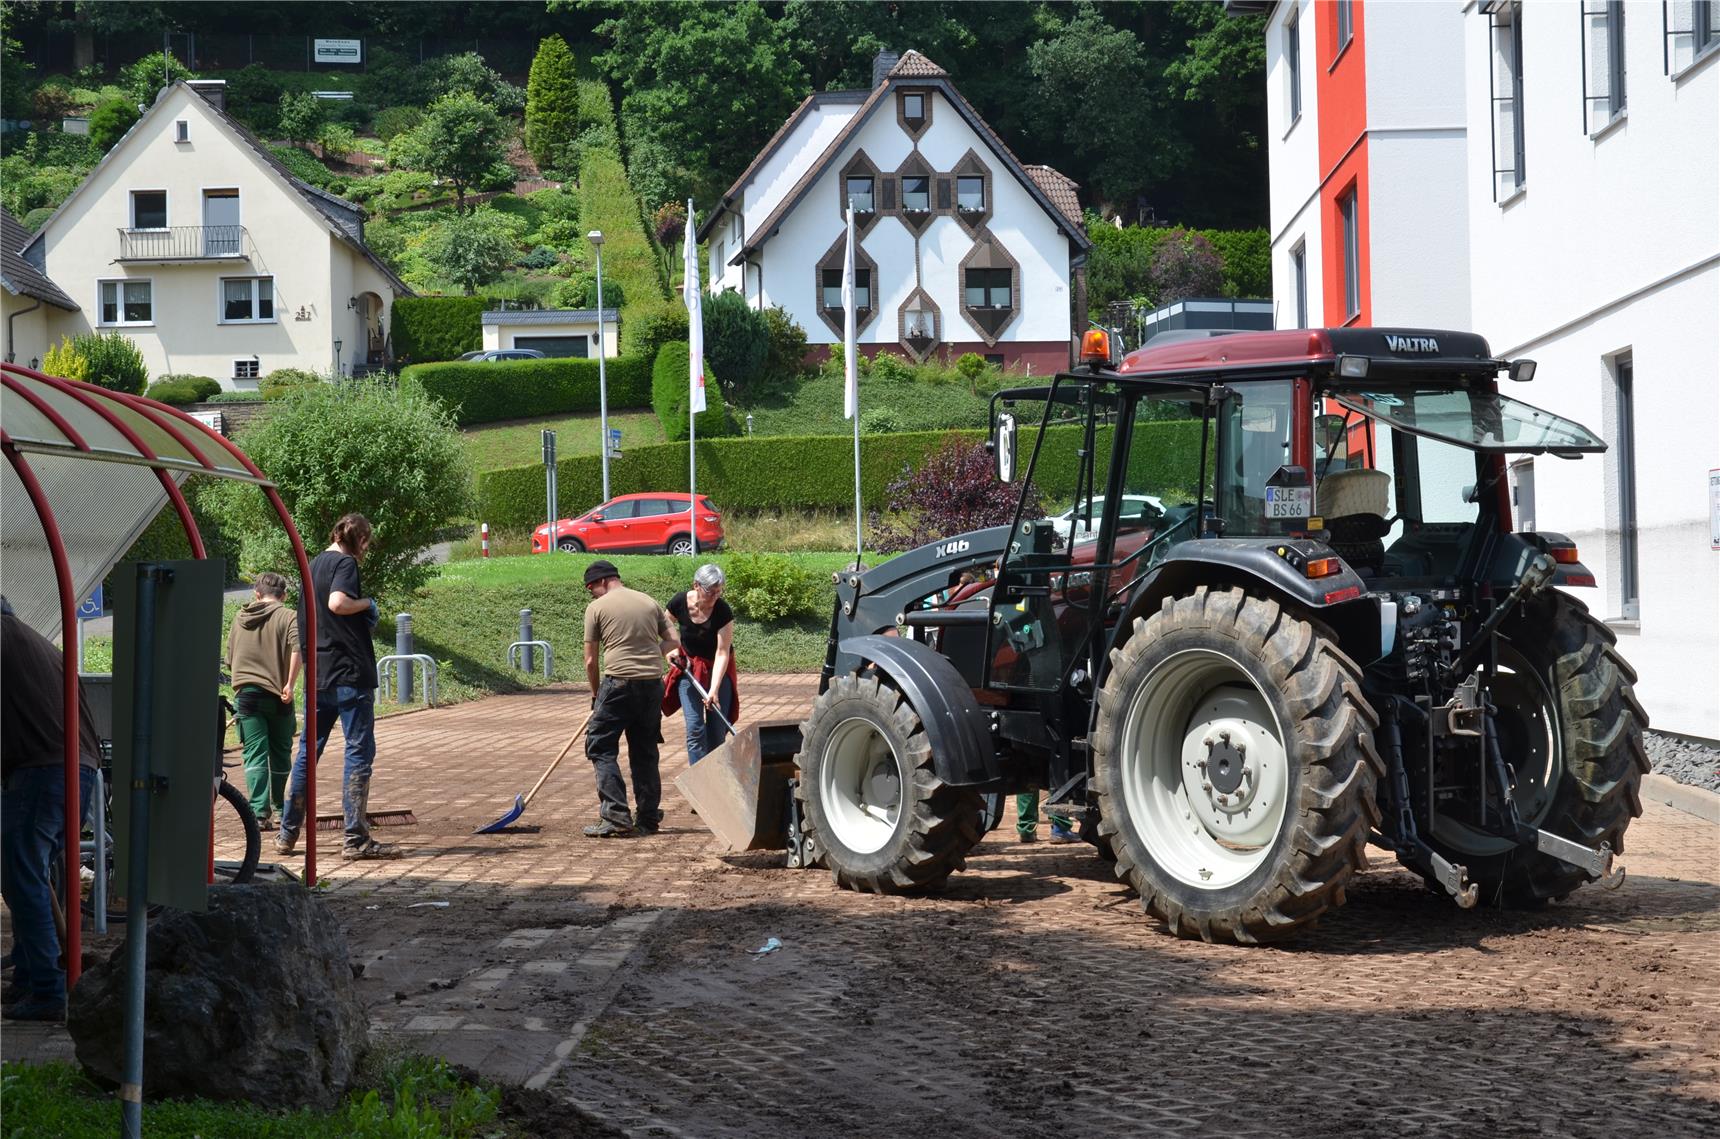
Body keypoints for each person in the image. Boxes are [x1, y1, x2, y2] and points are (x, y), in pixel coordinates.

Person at [277, 513, 398, 860]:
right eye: (366, 544)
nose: (365, 551)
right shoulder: (345, 564)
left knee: (307, 753)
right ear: (360, 540)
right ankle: (355, 840)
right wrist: (368, 604)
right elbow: (337, 603)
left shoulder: (312, 565)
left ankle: (287, 834)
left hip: (318, 674)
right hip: (349, 673)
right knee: (358, 751)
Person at [1, 598, 100, 1021]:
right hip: (74, 768)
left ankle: (47, 989)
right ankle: (29, 977)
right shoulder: (32, 640)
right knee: (27, 878)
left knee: (23, 879)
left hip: (42, 770)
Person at [582, 560, 679, 838]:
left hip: (619, 683)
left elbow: (590, 661)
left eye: (591, 588)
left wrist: (595, 694)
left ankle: (615, 816)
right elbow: (673, 642)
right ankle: (648, 818)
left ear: (601, 582)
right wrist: (649, 652)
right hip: (652, 684)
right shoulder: (648, 602)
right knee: (645, 750)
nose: (592, 593)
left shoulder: (597, 608)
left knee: (600, 746)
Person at [226, 571, 301, 829]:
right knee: (280, 752)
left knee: (254, 752)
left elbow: (230, 659)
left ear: (257, 594)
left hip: (246, 695)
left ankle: (258, 812)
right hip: (279, 694)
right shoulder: (289, 616)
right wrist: (290, 683)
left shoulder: (240, 618)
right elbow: (298, 648)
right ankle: (281, 810)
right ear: (284, 595)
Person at [662, 564, 738, 766]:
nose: (715, 597)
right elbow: (662, 627)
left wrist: (714, 690)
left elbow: (722, 652)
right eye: (710, 592)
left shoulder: (722, 611)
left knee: (717, 730)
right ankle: (698, 775)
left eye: (719, 592)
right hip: (689, 669)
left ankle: (715, 773)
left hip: (717, 669)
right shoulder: (679, 602)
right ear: (696, 585)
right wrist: (671, 649)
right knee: (695, 728)